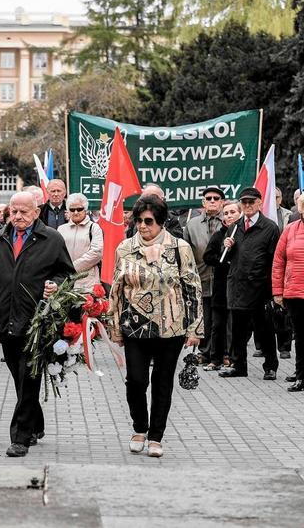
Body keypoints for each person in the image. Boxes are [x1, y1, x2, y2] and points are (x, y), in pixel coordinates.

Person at [0, 192, 75, 457]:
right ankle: (36, 423)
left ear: (36, 212)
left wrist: (56, 284)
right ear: (8, 212)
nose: (19, 217)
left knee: (28, 376)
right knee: (19, 375)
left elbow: (67, 274)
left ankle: (20, 437)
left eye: (24, 212)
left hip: (38, 322)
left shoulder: (51, 239)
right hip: (5, 321)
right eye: (14, 212)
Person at [109, 195, 203, 458]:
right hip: (134, 326)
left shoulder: (179, 248)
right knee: (136, 381)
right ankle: (139, 426)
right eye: (138, 220)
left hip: (170, 327)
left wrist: (195, 328)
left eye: (148, 221)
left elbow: (192, 287)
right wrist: (114, 326)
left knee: (162, 382)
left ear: (161, 222)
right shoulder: (125, 248)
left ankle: (156, 436)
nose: (142, 226)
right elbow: (116, 289)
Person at [219, 187, 280, 380]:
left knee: (264, 329)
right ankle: (239, 366)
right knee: (238, 329)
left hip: (259, 287)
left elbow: (274, 260)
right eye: (244, 202)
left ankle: (270, 366)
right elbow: (226, 258)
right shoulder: (235, 226)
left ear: (259, 203)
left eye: (251, 202)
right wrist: (227, 247)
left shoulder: (269, 227)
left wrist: (272, 290)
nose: (247, 205)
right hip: (238, 285)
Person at [183, 187, 225, 364]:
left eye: (217, 198)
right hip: (201, 276)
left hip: (223, 278)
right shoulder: (192, 224)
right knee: (204, 317)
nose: (213, 201)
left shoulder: (229, 221)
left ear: (223, 202)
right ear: (203, 202)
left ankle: (224, 354)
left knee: (222, 319)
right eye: (209, 198)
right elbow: (186, 251)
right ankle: (204, 351)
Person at [202, 201, 242, 370]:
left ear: (240, 214)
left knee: (235, 326)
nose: (229, 215)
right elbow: (208, 257)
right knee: (217, 325)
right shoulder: (219, 235)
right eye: (225, 213)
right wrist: (222, 252)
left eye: (232, 212)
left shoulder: (244, 234)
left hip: (239, 287)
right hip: (220, 287)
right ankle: (215, 358)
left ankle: (232, 357)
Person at [272, 193, 304, 391]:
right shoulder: (291, 230)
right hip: (295, 293)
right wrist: (278, 291)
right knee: (300, 337)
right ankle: (301, 374)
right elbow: (278, 262)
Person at [57, 193, 103, 293]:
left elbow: (96, 253)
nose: (76, 212)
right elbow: (56, 253)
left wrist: (72, 267)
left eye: (79, 209)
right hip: (64, 282)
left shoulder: (94, 228)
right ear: (68, 211)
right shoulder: (61, 229)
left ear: (85, 209)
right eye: (72, 209)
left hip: (88, 283)